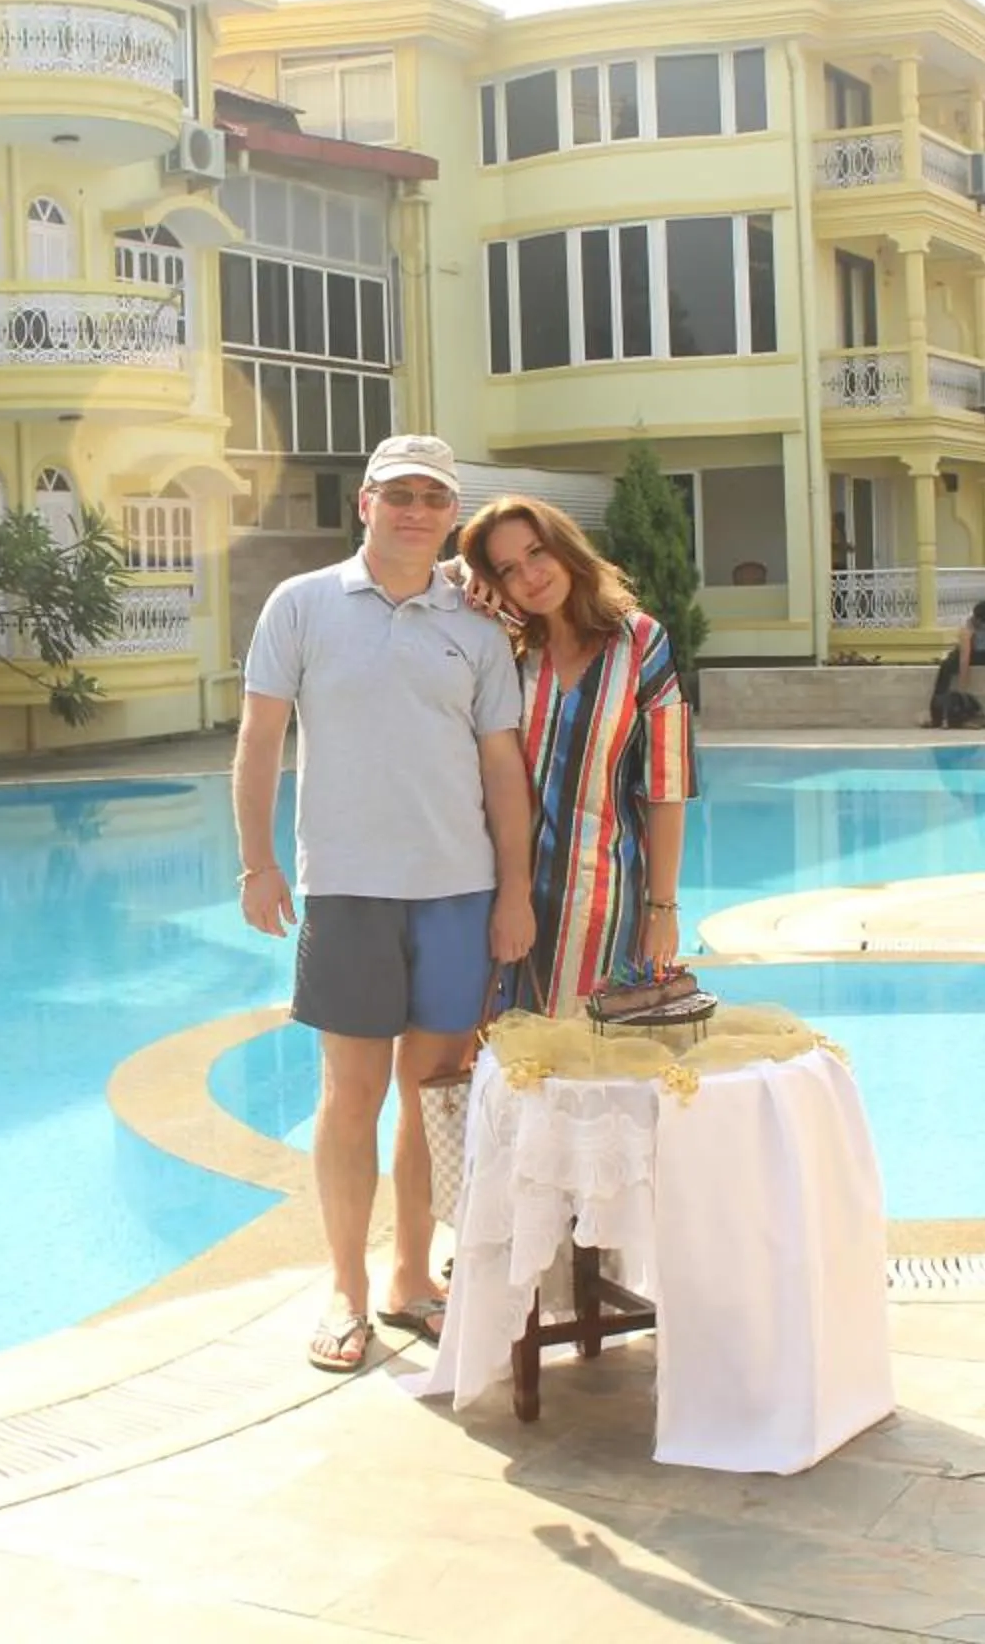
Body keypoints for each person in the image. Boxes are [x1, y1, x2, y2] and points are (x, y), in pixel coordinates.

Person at [235, 434, 535, 1375]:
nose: (415, 511)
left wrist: (516, 891)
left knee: (427, 1096)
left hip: (458, 890)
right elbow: (258, 741)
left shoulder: (480, 629)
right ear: (364, 502)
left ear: (452, 515)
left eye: (433, 499)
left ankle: (410, 1278)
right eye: (397, 494)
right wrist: (257, 864)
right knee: (349, 1094)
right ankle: (345, 1291)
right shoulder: (302, 605)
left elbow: (502, 771)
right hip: (349, 889)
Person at [456, 497, 697, 1018]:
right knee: (515, 1068)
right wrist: (457, 574)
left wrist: (663, 906)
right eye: (508, 570)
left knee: (602, 1072)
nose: (530, 576)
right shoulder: (503, 648)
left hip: (608, 905)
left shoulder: (641, 642)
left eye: (537, 552)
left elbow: (667, 786)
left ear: (565, 548)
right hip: (506, 900)